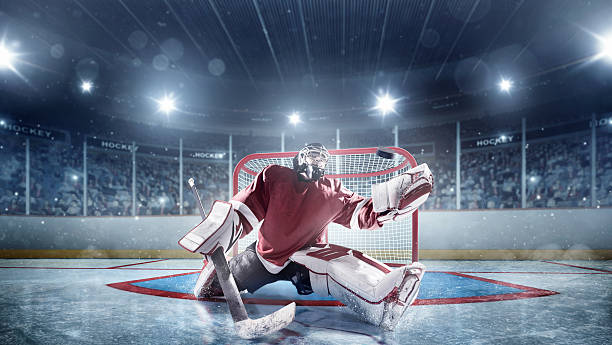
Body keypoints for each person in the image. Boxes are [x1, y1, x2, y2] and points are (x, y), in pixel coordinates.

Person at [179, 143, 433, 330]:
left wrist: (387, 206)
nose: (317, 161)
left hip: (306, 257)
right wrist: (220, 236)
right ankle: (211, 277)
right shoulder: (274, 176)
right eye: (312, 155)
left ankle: (381, 301)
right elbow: (244, 209)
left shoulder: (333, 191)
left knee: (336, 261)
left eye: (322, 158)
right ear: (299, 158)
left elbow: (361, 213)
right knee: (214, 287)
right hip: (263, 257)